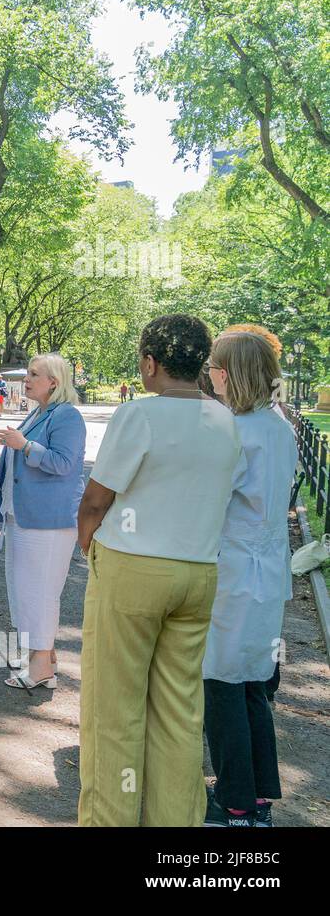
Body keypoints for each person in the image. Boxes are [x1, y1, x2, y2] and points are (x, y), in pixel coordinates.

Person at [75, 314, 241, 827]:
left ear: (150, 363)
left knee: (114, 710)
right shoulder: (225, 418)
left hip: (134, 568)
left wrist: (89, 547)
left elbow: (96, 500)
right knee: (179, 714)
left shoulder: (139, 415)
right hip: (199, 573)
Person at [202, 331, 297, 827]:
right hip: (266, 568)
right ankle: (257, 794)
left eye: (216, 366)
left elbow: (210, 499)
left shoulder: (237, 431)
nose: (211, 373)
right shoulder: (276, 426)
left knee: (221, 682)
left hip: (235, 568)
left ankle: (235, 800)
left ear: (230, 372)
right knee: (254, 683)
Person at [0, 354, 87, 690]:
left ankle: (41, 666)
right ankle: (42, 656)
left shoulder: (67, 416)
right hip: (22, 516)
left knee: (39, 592)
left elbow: (63, 464)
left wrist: (24, 445)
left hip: (48, 521)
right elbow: (27, 455)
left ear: (54, 383)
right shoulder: (39, 411)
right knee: (24, 590)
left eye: (34, 374)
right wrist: (3, 459)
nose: (27, 380)